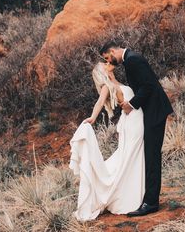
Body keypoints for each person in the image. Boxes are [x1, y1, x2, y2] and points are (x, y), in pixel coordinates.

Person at [100, 41, 173, 217]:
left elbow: (148, 86)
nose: (109, 62)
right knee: (149, 155)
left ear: (112, 51)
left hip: (155, 112)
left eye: (107, 58)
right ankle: (148, 199)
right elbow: (140, 87)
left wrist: (131, 105)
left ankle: (150, 203)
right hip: (151, 112)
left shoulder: (133, 60)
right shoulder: (130, 60)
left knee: (152, 156)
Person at [69, 60, 145, 221]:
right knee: (131, 158)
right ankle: (126, 197)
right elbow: (99, 102)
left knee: (131, 157)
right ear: (101, 71)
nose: (107, 62)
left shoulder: (114, 81)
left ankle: (135, 194)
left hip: (134, 120)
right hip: (132, 124)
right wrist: (93, 117)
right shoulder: (106, 86)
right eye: (104, 63)